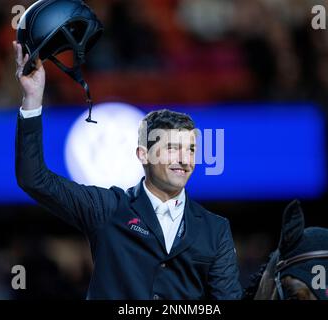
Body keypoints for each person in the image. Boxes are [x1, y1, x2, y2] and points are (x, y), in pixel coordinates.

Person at [13, 41, 242, 299]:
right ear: (143, 155)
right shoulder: (107, 208)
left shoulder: (216, 229)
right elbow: (33, 178)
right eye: (172, 149)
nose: (184, 159)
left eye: (190, 149)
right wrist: (32, 99)